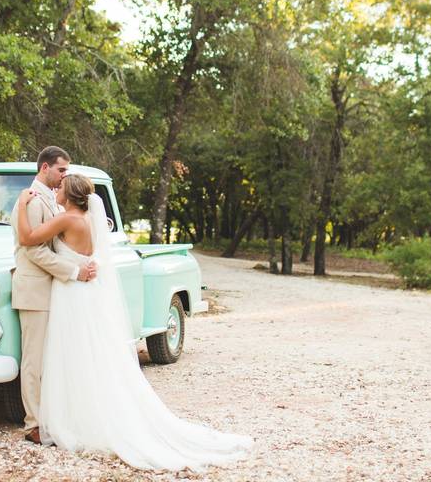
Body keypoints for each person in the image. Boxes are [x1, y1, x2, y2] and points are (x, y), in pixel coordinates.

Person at [16, 173, 253, 471]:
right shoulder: (88, 219)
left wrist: (23, 205)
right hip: (81, 292)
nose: (56, 190)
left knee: (72, 355)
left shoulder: (68, 220)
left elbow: (26, 238)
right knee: (86, 355)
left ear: (71, 194)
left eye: (61, 187)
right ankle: (85, 416)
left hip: (72, 293)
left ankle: (73, 419)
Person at [9, 146, 97, 445]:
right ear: (45, 168)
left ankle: (52, 417)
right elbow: (31, 249)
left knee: (52, 359)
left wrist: (79, 265)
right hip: (35, 289)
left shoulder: (53, 202)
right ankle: (33, 423)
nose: (64, 176)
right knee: (34, 361)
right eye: (61, 170)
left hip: (53, 289)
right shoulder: (32, 200)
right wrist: (74, 271)